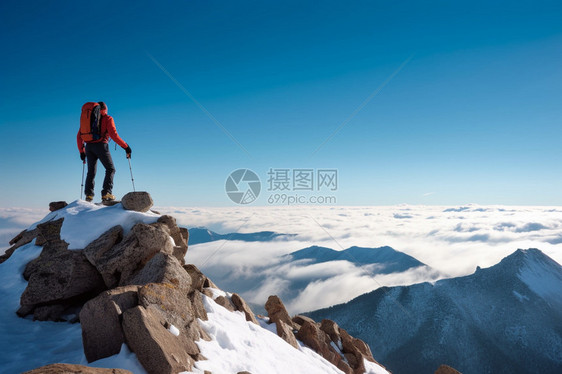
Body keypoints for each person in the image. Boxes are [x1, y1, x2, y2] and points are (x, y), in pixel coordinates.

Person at [77, 102, 131, 202]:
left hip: (89, 147)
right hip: (101, 146)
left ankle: (89, 195)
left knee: (91, 172)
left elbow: (79, 136)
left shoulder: (88, 120)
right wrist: (126, 147)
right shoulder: (107, 118)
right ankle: (106, 193)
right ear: (105, 109)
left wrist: (82, 151)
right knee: (111, 169)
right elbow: (114, 135)